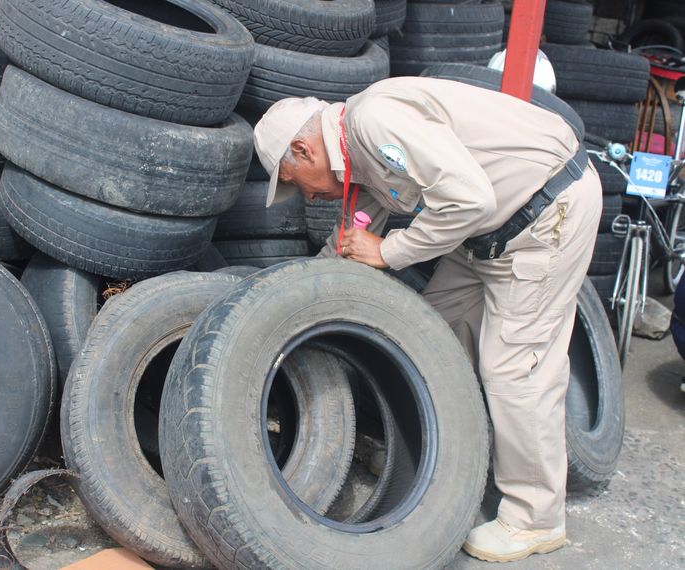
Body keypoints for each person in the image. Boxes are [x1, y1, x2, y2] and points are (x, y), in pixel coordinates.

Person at [253, 76, 602, 563]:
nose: (307, 198)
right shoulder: (357, 156)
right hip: (483, 234)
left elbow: (469, 199)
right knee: (431, 337)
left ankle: (535, 518)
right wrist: (300, 299)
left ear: (304, 149)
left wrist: (390, 252)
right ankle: (442, 467)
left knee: (515, 370)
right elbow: (356, 235)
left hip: (545, 215)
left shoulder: (375, 123)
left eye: (295, 183)